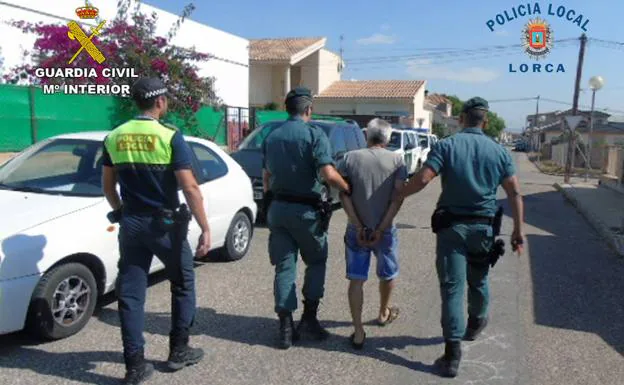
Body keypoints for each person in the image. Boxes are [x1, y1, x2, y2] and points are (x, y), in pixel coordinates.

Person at [394, 97, 525, 378]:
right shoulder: (499, 151)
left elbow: (424, 179)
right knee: (479, 279)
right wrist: (518, 231)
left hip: (452, 229)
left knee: (452, 288)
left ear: (462, 118)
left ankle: (452, 355)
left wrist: (399, 193)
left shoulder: (447, 146)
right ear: (485, 121)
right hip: (484, 228)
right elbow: (514, 192)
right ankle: (476, 323)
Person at [102, 77, 210, 384]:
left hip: (132, 223)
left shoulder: (115, 136)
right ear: (160, 101)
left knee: (131, 293)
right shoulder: (169, 136)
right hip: (165, 225)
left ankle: (135, 365)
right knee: (183, 282)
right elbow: (189, 186)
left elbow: (108, 186)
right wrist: (205, 227)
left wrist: (122, 211)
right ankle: (179, 351)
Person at [262, 87, 351, 349]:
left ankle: (285, 327)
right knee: (316, 260)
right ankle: (309, 319)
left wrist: (270, 201)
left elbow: (267, 176)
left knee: (284, 266)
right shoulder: (314, 135)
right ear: (308, 110)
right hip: (305, 212)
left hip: (277, 209)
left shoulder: (272, 135)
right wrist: (347, 187)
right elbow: (327, 173)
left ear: (288, 109)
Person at [337, 118, 407, 349]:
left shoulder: (349, 158)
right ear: (387, 138)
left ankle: (358, 332)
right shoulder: (397, 160)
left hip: (356, 230)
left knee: (356, 279)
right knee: (387, 274)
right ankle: (382, 312)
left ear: (367, 135)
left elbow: (343, 195)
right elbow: (398, 197)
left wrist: (358, 225)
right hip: (385, 231)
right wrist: (381, 227)